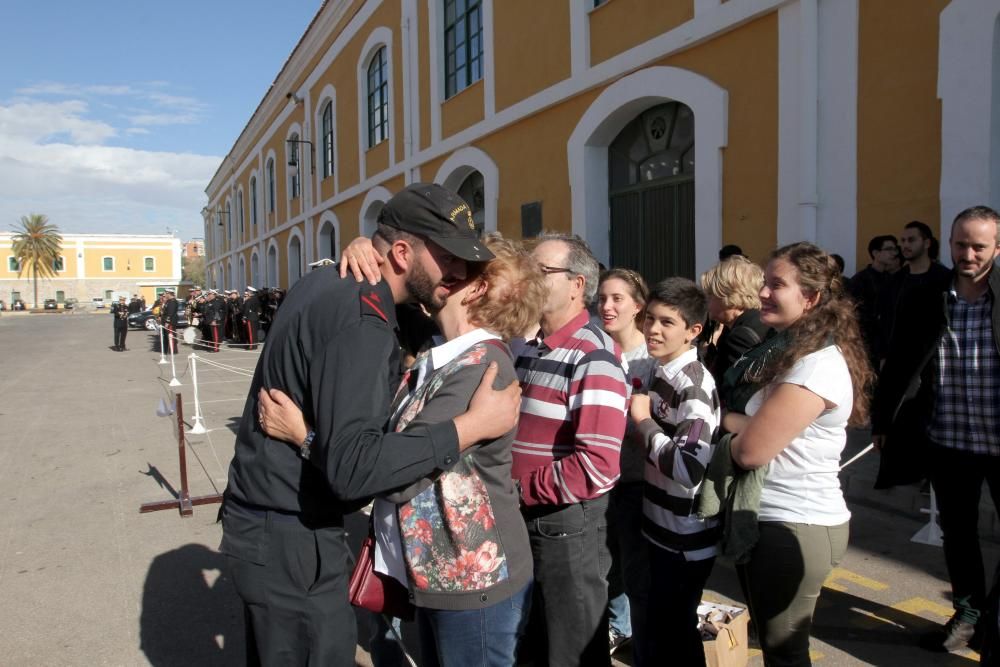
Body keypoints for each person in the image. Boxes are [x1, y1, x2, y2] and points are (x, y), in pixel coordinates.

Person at [220, 183, 522, 666]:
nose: (459, 273)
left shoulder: (334, 283)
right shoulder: (364, 318)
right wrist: (469, 427)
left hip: (272, 527)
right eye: (449, 259)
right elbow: (355, 472)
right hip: (289, 535)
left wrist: (366, 244)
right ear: (401, 252)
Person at [339, 231, 630, 666]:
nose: (531, 278)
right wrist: (375, 254)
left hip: (557, 526)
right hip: (504, 525)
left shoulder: (593, 358)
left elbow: (599, 467)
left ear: (577, 285)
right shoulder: (526, 349)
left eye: (542, 270)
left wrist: (513, 490)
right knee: (530, 647)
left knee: (570, 648)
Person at [724, 242, 873, 666]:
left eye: (777, 285)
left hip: (794, 522)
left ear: (810, 298)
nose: (764, 294)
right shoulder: (788, 351)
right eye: (764, 284)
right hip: (770, 516)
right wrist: (741, 423)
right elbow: (756, 429)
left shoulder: (816, 366)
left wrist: (722, 423)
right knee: (777, 647)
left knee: (784, 651)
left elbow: (752, 450)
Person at [873, 206, 1000, 653]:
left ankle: (994, 619)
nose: (968, 253)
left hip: (998, 440)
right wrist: (883, 419)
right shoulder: (927, 295)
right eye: (960, 244)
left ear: (997, 249)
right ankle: (967, 615)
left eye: (979, 246)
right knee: (959, 535)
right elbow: (899, 362)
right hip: (949, 440)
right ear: (947, 243)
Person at [628, 277, 721, 666]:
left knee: (677, 635)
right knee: (662, 630)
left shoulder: (693, 386)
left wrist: (644, 423)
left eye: (667, 322)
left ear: (693, 331)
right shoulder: (659, 371)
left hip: (684, 542)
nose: (653, 329)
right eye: (650, 318)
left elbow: (688, 466)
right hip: (660, 529)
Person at [596, 268, 655, 658]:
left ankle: (638, 636)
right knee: (605, 567)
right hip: (600, 479)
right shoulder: (595, 349)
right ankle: (619, 628)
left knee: (636, 570)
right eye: (602, 298)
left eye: (617, 298)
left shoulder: (650, 359)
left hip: (638, 480)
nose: (607, 306)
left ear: (637, 306)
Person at [699, 256, 771, 392]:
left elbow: (740, 388)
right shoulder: (760, 321)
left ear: (729, 296)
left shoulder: (740, 335)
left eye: (710, 295)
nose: (707, 302)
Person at [848, 235, 900, 371]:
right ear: (875, 253)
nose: (894, 253)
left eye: (895, 249)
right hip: (867, 347)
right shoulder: (860, 281)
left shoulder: (893, 279)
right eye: (889, 249)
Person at [159, 290, 179, 354]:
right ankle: (168, 350)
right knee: (167, 336)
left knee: (171, 336)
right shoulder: (168, 301)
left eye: (166, 293)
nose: (165, 295)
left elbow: (170, 313)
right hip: (166, 321)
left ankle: (172, 350)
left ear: (169, 294)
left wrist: (167, 322)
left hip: (170, 322)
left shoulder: (172, 302)